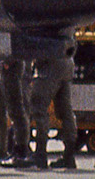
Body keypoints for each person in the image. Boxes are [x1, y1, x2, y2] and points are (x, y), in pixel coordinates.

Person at [29, 39, 79, 169]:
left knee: (39, 106)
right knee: (65, 109)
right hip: (67, 62)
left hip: (50, 62)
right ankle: (69, 156)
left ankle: (40, 154)